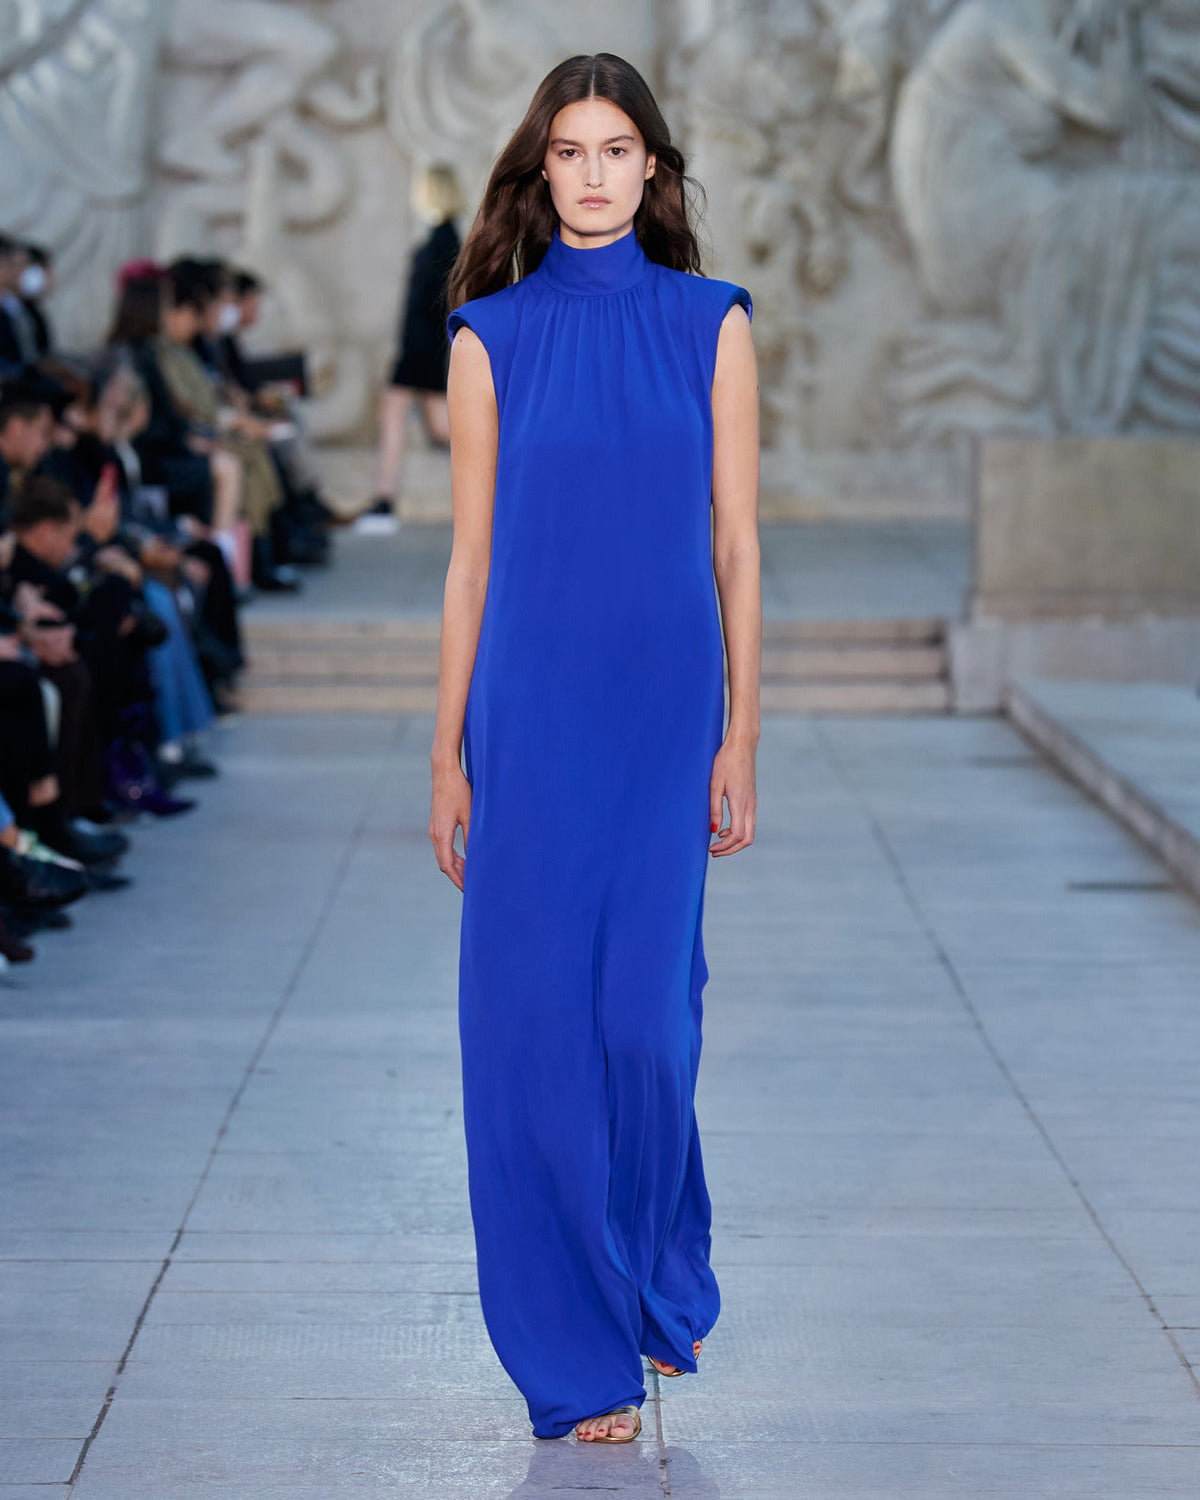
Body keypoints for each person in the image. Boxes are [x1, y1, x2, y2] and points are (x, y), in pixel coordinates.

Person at [428, 54, 761, 1444]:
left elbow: (737, 544)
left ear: (654, 170)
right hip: (532, 715)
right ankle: (576, 1354)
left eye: (617, 150)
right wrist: (447, 753)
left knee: (644, 1025)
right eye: (569, 151)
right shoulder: (487, 338)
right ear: (540, 170)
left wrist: (744, 729)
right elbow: (468, 564)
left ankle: (653, 1269)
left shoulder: (712, 322)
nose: (593, 174)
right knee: (532, 1037)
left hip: (663, 714)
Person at [358, 162, 462, 532]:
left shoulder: (443, 242)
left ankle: (384, 500)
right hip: (424, 348)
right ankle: (383, 500)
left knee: (404, 418)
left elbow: (432, 304)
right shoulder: (443, 239)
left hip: (422, 349)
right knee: (439, 426)